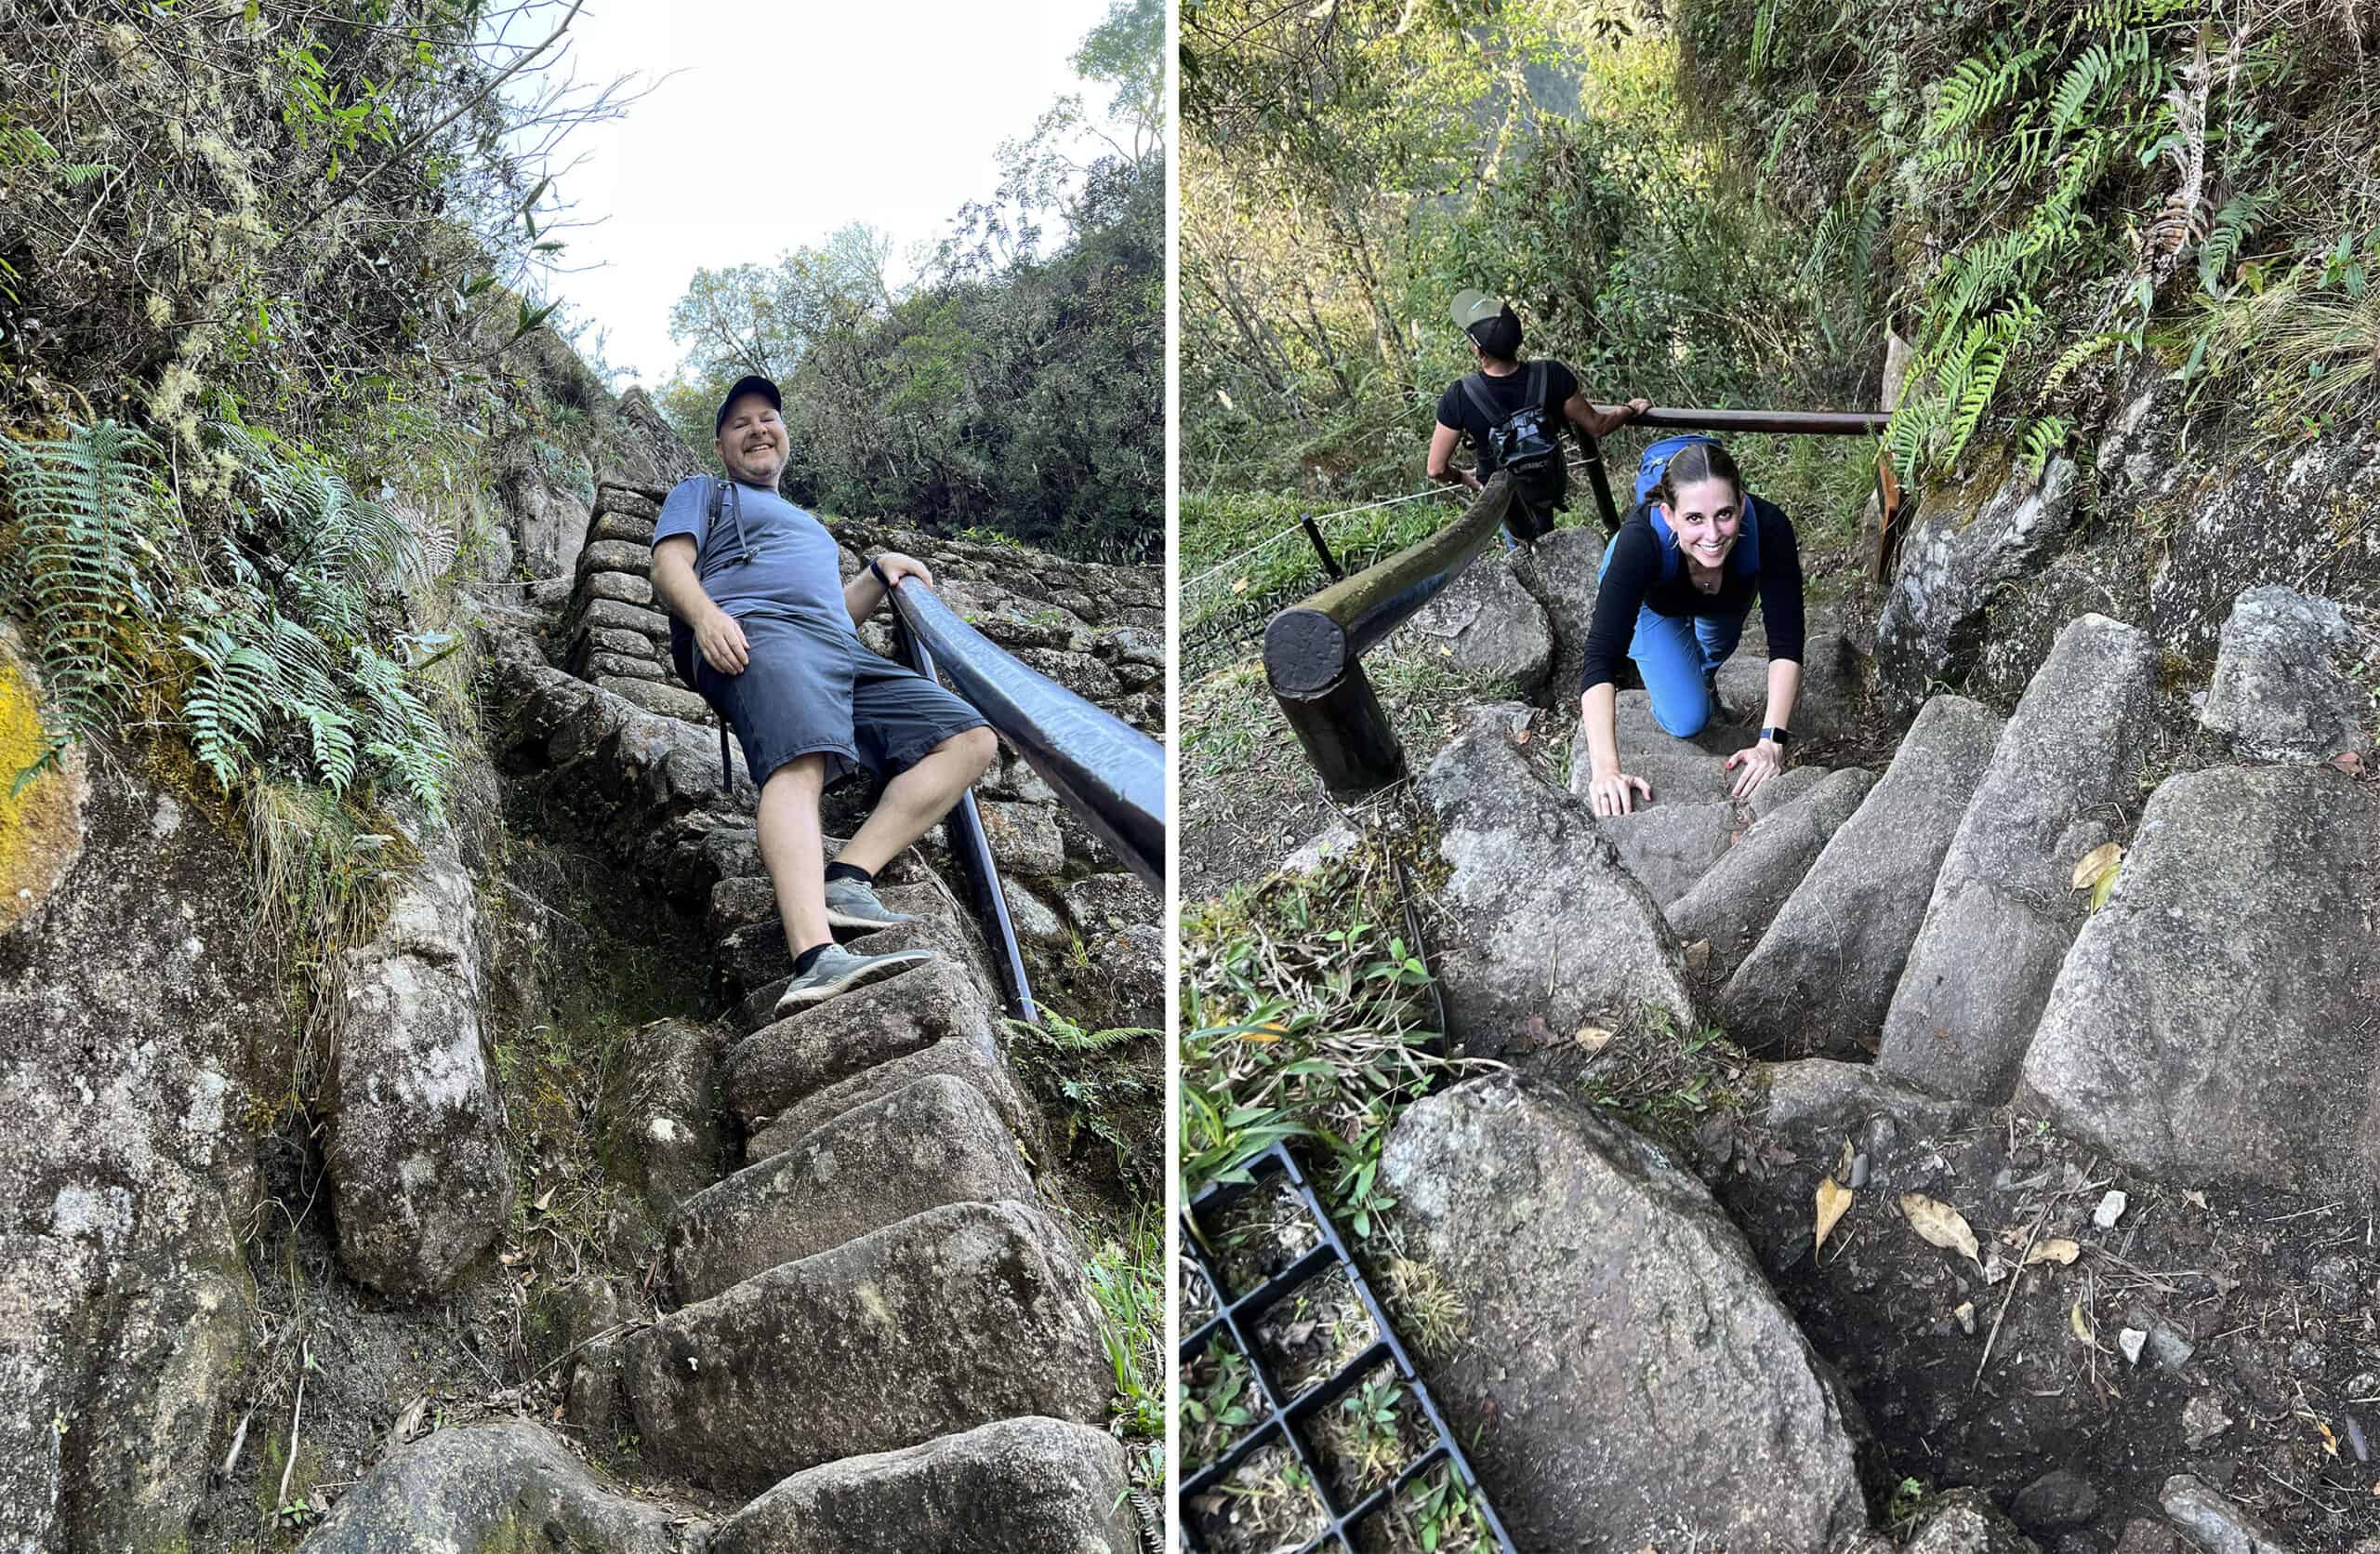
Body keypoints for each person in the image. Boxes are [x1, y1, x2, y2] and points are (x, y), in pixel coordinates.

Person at [650, 374, 999, 1016]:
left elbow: (835, 617)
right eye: (741, 422)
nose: (758, 428)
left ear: (785, 435)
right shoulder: (703, 494)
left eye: (769, 418)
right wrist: (706, 616)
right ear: (723, 446)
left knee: (971, 738)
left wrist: (878, 572)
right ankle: (814, 957)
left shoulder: (812, 529)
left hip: (835, 650)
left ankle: (848, 875)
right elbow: (668, 564)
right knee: (800, 759)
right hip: (754, 634)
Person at [1576, 436, 1804, 817]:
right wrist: (1606, 770)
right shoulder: (1640, 543)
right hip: (1655, 605)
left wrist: (1771, 742)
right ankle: (1682, 677)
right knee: (1687, 718)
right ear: (1668, 515)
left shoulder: (1769, 528)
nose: (1712, 535)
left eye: (1725, 515)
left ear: (1742, 504)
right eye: (1694, 518)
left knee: (1715, 649)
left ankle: (1701, 676)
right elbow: (1600, 658)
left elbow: (1786, 642)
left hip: (1726, 595)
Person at [1426, 289, 1650, 544]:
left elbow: (1436, 468)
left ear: (1478, 350)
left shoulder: (1460, 395)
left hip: (1502, 498)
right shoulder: (1551, 374)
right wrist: (1628, 410)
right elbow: (1597, 426)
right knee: (1544, 540)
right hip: (1545, 484)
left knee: (1521, 549)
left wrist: (1465, 478)